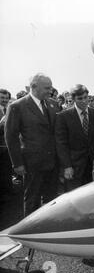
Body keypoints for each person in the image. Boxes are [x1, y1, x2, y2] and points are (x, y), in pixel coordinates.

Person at [5, 73, 59, 216]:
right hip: (32, 163)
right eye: (47, 88)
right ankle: (30, 232)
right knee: (32, 199)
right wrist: (17, 164)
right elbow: (11, 137)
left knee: (52, 199)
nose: (50, 91)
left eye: (51, 88)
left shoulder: (53, 104)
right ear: (34, 87)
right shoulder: (17, 106)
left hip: (53, 161)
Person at [55, 84, 94, 192]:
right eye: (80, 98)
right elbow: (61, 144)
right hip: (74, 167)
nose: (83, 101)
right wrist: (67, 166)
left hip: (93, 164)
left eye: (85, 97)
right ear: (73, 99)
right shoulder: (63, 116)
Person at [0, 89, 13, 194]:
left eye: (6, 98)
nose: (4, 100)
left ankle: (8, 191)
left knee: (7, 169)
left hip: (8, 146)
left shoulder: (10, 109)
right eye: (2, 98)